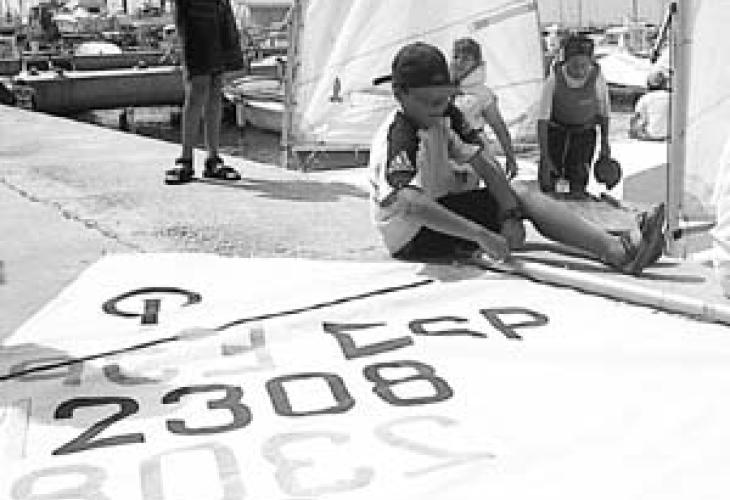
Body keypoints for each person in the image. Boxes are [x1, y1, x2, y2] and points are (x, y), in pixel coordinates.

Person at [369, 41, 665, 275]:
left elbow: (486, 165)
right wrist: (481, 234)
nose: (439, 108)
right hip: (411, 235)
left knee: (519, 192)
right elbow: (411, 205)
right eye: (429, 101)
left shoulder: (446, 115)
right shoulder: (398, 136)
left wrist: (509, 215)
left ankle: (615, 244)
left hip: (438, 208)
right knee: (521, 196)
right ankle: (616, 250)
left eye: (445, 98)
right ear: (400, 95)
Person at [165, 0, 245, 185]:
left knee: (216, 85)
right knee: (198, 85)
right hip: (194, 11)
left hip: (219, 9)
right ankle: (185, 159)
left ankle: (213, 158)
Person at [536, 33, 612, 195]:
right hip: (556, 133)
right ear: (566, 62)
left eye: (584, 65)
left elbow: (604, 112)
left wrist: (605, 143)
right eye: (575, 65)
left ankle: (577, 195)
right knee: (549, 179)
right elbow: (542, 120)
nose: (580, 70)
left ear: (590, 62)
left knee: (579, 177)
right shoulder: (554, 79)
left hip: (584, 135)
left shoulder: (597, 78)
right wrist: (544, 158)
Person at [450, 37, 519, 180]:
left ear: (476, 63)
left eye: (466, 58)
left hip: (474, 149)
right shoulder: (443, 88)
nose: (459, 62)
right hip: (447, 148)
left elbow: (499, 127)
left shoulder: (483, 94)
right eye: (456, 57)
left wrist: (510, 158)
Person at [629, 70, 670, 141]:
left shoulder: (644, 98)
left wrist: (633, 132)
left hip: (651, 136)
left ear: (648, 84)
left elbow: (636, 119)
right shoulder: (672, 97)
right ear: (664, 83)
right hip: (669, 136)